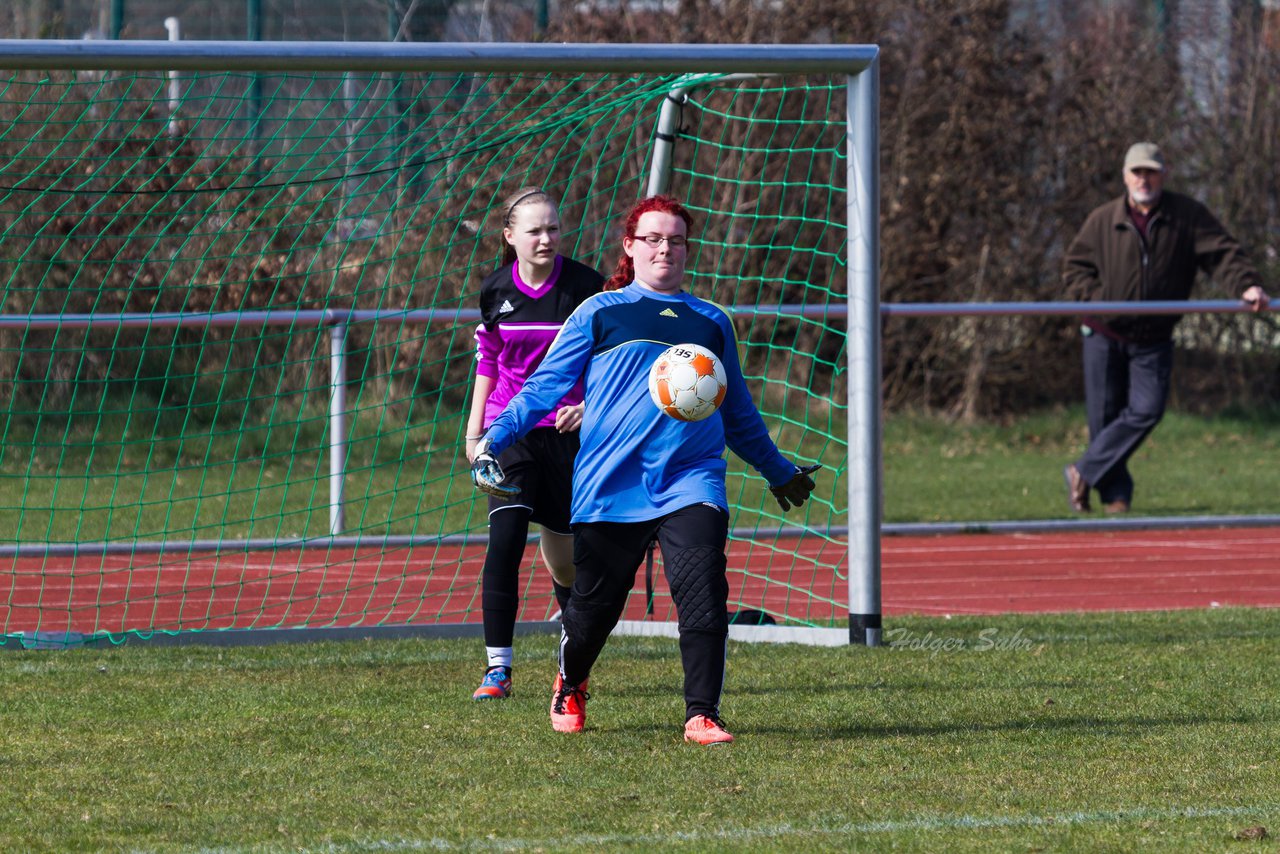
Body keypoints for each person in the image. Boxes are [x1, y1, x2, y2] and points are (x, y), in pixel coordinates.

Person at [469, 195, 820, 745]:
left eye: (676, 240)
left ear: (687, 250)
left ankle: (702, 713)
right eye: (653, 239)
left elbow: (739, 412)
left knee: (702, 590)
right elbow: (544, 387)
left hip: (691, 478)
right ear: (630, 247)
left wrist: (778, 470)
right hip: (611, 483)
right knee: (593, 612)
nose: (665, 249)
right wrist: (496, 437)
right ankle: (571, 678)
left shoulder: (710, 321)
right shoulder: (598, 311)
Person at [1062, 142, 1269, 514]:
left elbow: (1223, 255)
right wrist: (1098, 301)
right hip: (1104, 335)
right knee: (1105, 421)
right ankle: (1116, 499)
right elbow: (1074, 269)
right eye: (1137, 172)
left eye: (1151, 172)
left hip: (1154, 338)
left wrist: (1247, 285)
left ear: (1163, 175)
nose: (1144, 179)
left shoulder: (1187, 216)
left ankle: (1083, 471)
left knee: (1147, 409)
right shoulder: (1103, 219)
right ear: (1125, 176)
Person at [464, 186, 604, 700]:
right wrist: (475, 431)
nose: (546, 238)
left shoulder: (588, 287)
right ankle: (497, 670)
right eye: (534, 230)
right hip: (510, 431)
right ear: (510, 236)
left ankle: (571, 637)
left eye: (553, 229)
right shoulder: (495, 289)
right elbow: (489, 358)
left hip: (572, 435)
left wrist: (589, 406)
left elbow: (609, 358)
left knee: (566, 557)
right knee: (504, 540)